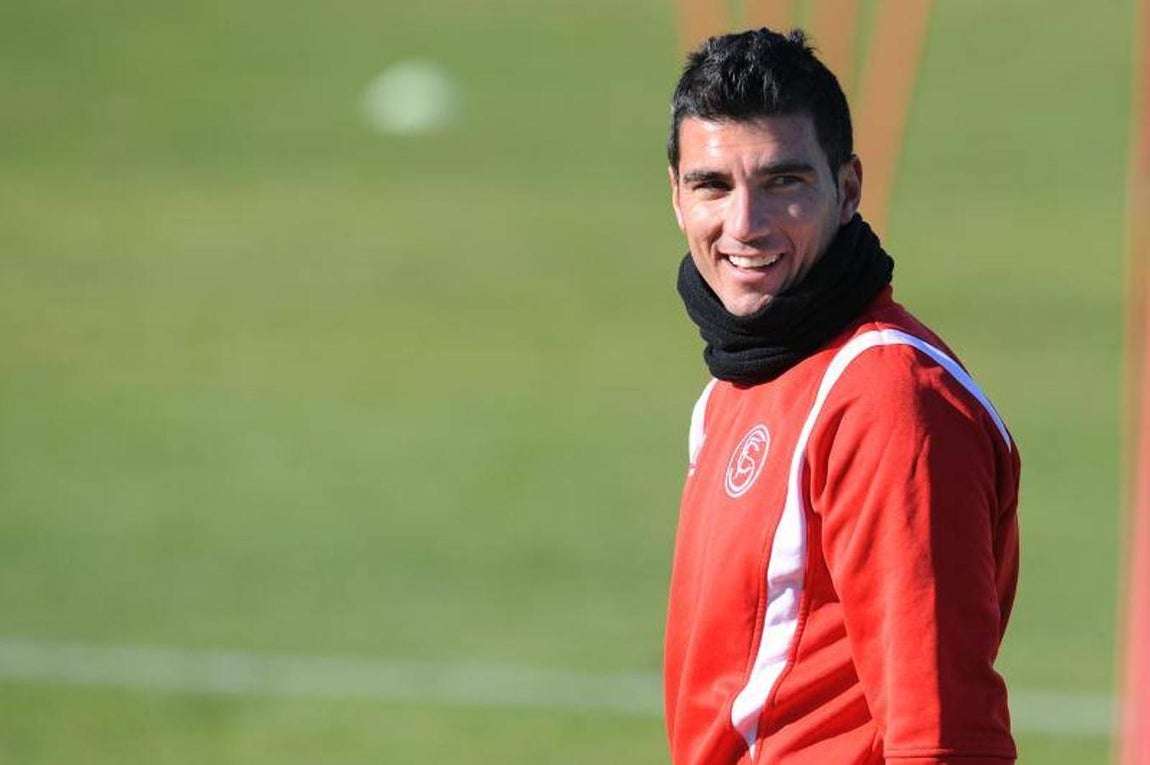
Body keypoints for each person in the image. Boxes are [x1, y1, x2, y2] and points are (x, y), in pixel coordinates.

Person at [663, 28, 1021, 764]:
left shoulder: (888, 400)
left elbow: (944, 734)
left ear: (848, 188)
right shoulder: (737, 383)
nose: (745, 226)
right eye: (714, 186)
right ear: (676, 196)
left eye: (783, 183)